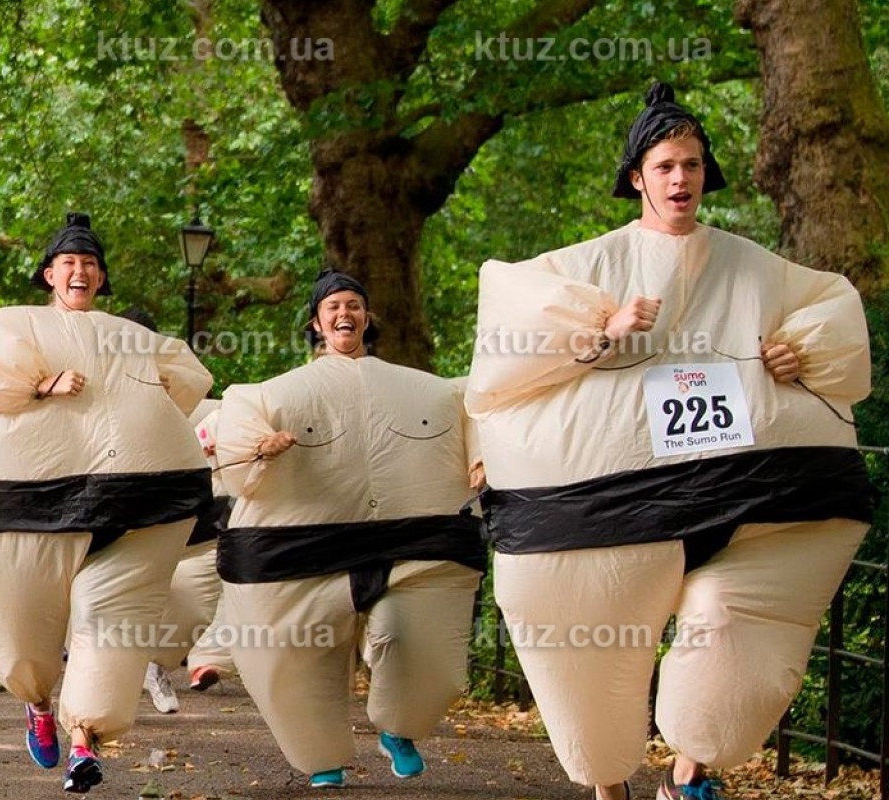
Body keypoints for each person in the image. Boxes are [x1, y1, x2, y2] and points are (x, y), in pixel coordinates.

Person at [465, 83, 873, 800]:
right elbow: (503, 359)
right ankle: (607, 782)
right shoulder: (582, 268)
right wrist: (601, 331)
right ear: (637, 178)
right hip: (610, 510)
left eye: (691, 164)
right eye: (665, 167)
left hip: (752, 500)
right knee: (588, 652)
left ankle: (690, 769)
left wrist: (801, 351)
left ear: (705, 172)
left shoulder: (756, 270)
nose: (680, 178)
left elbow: (831, 311)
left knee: (733, 635)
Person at [0, 213, 213, 793]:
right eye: (69, 263)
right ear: (49, 274)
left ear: (101, 278)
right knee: (24, 631)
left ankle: (85, 739)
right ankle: (36, 701)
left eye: (89, 264)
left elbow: (186, 381)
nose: (79, 271)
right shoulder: (10, 326)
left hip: (133, 505)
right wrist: (37, 386)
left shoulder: (131, 338)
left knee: (112, 617)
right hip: (27, 507)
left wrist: (149, 413)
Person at [216, 269, 487, 788]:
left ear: (367, 317)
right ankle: (321, 755)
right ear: (316, 324)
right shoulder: (272, 396)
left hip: (413, 542)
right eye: (334, 306)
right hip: (308, 548)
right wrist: (259, 448)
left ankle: (400, 727)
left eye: (354, 305)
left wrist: (480, 458)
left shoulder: (430, 393)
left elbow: (475, 411)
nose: (345, 313)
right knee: (299, 651)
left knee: (415, 638)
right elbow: (238, 455)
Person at [143, 397, 237, 712]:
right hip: (149, 530)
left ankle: (157, 666)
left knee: (196, 608)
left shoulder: (223, 417)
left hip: (207, 534)